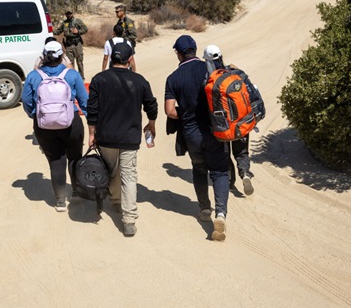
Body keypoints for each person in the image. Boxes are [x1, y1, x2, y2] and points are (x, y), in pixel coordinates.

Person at [87, 42, 158, 237]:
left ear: (111, 58)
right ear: (129, 60)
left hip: (106, 136)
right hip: (129, 136)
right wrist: (151, 123)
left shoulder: (99, 79)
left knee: (111, 171)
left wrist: (91, 133)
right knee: (128, 175)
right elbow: (151, 105)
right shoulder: (140, 81)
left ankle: (116, 201)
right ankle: (129, 220)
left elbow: (92, 109)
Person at [164, 35, 230, 242]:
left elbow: (169, 111)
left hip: (191, 133)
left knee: (199, 170)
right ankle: (220, 213)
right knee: (219, 172)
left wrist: (186, 113)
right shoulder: (210, 69)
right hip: (215, 130)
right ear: (195, 49)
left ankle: (204, 209)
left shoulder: (173, 78)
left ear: (179, 53)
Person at [22, 40, 88, 212]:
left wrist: (35, 116)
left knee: (56, 161)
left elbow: (27, 102)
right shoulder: (72, 75)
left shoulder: (33, 76)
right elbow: (84, 101)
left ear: (44, 56)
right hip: (71, 123)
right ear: (61, 56)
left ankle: (60, 200)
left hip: (44, 125)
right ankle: (76, 193)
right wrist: (91, 120)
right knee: (74, 158)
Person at [202, 44, 254, 196]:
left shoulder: (209, 81)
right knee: (242, 152)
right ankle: (245, 173)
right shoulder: (234, 72)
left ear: (207, 61)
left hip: (223, 128)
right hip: (241, 123)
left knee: (225, 154)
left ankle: (230, 182)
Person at [53, 10, 88, 79]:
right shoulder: (64, 23)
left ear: (72, 14)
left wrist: (78, 32)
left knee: (79, 61)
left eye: (70, 13)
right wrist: (50, 31)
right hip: (69, 45)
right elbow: (58, 31)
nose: (68, 15)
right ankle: (72, 77)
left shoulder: (77, 21)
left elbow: (85, 29)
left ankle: (81, 78)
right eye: (67, 14)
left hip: (77, 44)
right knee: (70, 62)